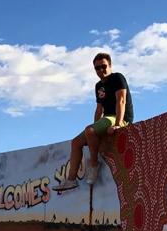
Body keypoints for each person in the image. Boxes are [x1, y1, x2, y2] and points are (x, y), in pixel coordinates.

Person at [52, 52, 134, 192]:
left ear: (110, 65)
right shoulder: (98, 86)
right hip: (106, 118)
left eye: (104, 66)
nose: (101, 70)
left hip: (119, 117)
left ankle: (94, 165)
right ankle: (71, 180)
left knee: (90, 130)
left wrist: (118, 124)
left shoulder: (117, 78)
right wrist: (95, 130)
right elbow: (98, 109)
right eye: (97, 68)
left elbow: (121, 101)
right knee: (76, 142)